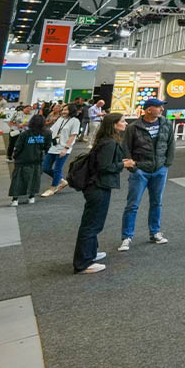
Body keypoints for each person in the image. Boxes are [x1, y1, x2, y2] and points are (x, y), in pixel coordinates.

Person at [72, 113, 137, 274]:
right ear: (114, 124)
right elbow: (104, 167)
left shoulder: (105, 140)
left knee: (93, 223)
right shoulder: (109, 142)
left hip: (96, 185)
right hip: (98, 186)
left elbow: (103, 162)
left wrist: (120, 162)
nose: (125, 123)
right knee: (92, 224)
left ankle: (90, 253)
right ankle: (83, 263)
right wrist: (124, 164)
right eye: (122, 121)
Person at [119, 98, 174, 250]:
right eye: (158, 107)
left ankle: (155, 232)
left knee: (157, 202)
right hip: (140, 170)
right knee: (132, 205)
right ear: (149, 109)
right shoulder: (133, 127)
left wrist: (166, 164)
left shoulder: (166, 123)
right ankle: (127, 237)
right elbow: (125, 147)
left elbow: (171, 144)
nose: (162, 109)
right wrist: (133, 168)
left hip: (160, 170)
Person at [9, 114, 49, 205]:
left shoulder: (25, 134)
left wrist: (15, 156)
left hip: (22, 160)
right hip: (37, 160)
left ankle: (15, 200)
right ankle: (31, 197)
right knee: (34, 179)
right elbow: (47, 147)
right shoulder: (46, 134)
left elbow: (18, 147)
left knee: (18, 180)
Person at [41, 105, 80, 197]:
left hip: (63, 148)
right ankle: (62, 181)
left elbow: (73, 136)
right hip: (53, 146)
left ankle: (53, 188)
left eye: (66, 110)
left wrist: (66, 148)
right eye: (63, 110)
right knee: (45, 167)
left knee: (57, 169)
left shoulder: (75, 121)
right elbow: (52, 131)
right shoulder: (60, 119)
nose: (63, 111)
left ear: (71, 110)